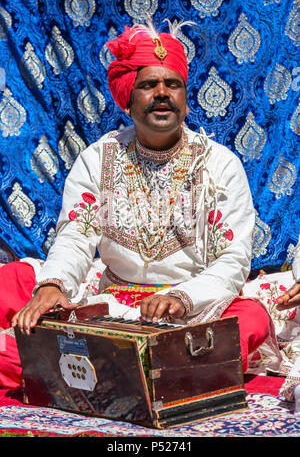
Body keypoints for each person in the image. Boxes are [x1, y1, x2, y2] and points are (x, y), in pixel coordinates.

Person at [8, 19, 271, 375]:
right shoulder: (98, 158)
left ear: (185, 100)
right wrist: (54, 285)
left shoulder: (220, 165)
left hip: (191, 311)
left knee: (251, 317)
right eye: (149, 85)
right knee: (14, 280)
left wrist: (181, 298)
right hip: (111, 306)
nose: (162, 93)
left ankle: (103, 370)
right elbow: (75, 237)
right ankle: (163, 373)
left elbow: (234, 259)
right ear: (128, 100)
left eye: (172, 85)